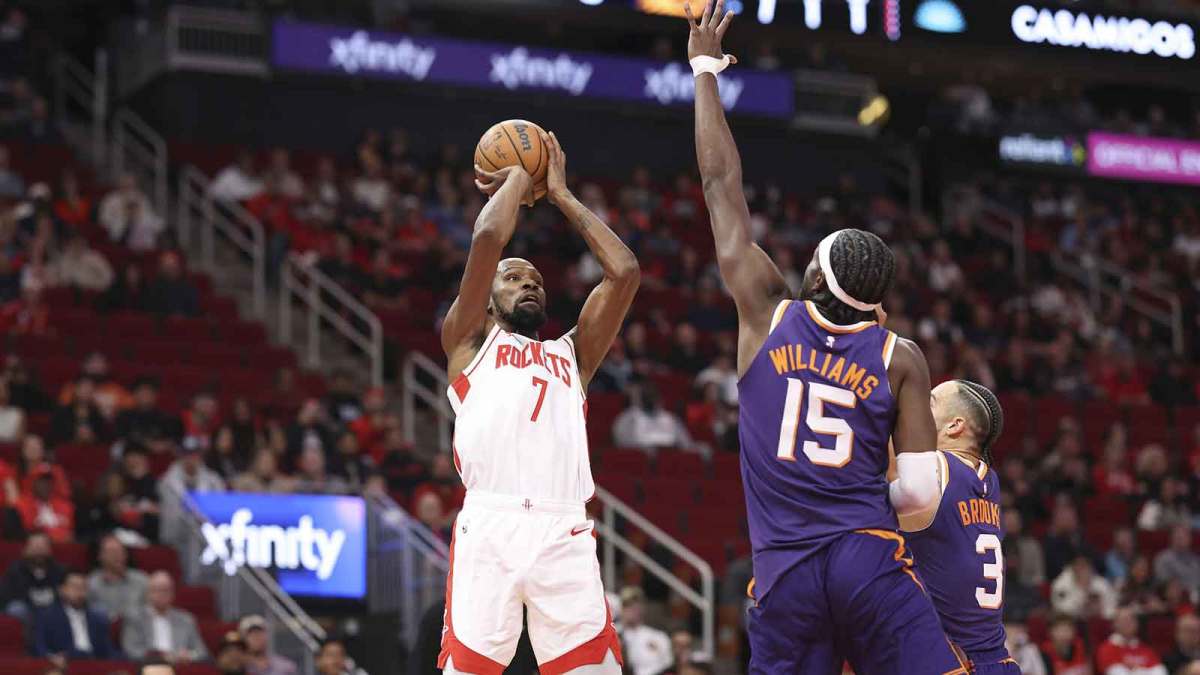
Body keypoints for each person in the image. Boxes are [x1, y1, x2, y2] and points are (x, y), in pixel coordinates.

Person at [685, 3, 967, 672]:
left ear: (814, 273)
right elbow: (922, 494)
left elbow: (719, 185)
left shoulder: (767, 313)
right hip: (867, 555)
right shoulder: (901, 356)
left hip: (786, 569)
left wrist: (704, 71)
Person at [437, 130, 637, 673]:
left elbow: (624, 273)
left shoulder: (572, 355)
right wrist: (521, 178)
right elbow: (486, 239)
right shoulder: (468, 341)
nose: (528, 284)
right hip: (491, 524)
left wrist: (563, 195)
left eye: (536, 280)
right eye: (513, 278)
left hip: (563, 528)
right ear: (489, 296)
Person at [899, 380, 1016, 673]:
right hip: (996, 660)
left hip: (950, 662)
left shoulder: (936, 468)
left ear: (954, 426)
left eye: (929, 401)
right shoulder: (988, 479)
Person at [121, 571, 209, 663]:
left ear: (173, 594)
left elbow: (202, 652)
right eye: (157, 590)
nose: (162, 594)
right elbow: (131, 651)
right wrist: (161, 658)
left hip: (181, 667)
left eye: (166, 590)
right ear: (148, 594)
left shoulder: (186, 620)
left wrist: (190, 655)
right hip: (149, 667)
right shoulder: (134, 618)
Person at [32, 571, 117, 662]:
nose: (80, 592)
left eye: (83, 588)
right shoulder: (46, 617)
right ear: (62, 590)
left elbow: (107, 651)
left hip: (93, 664)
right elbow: (39, 648)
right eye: (75, 587)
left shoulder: (97, 619)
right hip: (65, 664)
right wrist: (52, 658)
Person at [0, 533, 65, 623]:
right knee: (16, 608)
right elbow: (8, 598)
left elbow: (65, 596)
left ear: (50, 550)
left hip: (54, 611)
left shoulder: (61, 571)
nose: (38, 552)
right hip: (27, 612)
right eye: (35, 547)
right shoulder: (14, 572)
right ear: (25, 550)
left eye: (42, 547)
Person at [87, 534, 149, 622]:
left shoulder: (141, 580)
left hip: (137, 631)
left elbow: (150, 613)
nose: (118, 556)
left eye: (121, 551)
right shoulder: (92, 583)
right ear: (100, 556)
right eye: (112, 552)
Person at [1094, 606, 1168, 674]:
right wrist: (1145, 671)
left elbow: (1161, 672)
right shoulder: (1106, 648)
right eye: (1124, 620)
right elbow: (1116, 673)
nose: (1128, 623)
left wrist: (1134, 671)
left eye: (1131, 619)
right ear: (1114, 624)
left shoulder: (1146, 650)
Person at [615, 587, 671, 675]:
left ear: (643, 607)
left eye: (637, 604)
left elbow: (667, 666)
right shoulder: (612, 635)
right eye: (627, 605)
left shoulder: (658, 637)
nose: (633, 609)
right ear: (621, 608)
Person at [1156, 524, 1200, 592]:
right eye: (1179, 537)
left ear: (1190, 539)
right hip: (1174, 598)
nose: (1181, 540)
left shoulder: (1196, 559)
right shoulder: (1163, 559)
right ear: (1172, 538)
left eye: (1185, 537)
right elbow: (1164, 584)